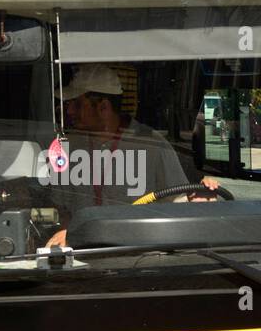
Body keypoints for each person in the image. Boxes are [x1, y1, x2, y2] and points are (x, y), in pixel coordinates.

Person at [47, 65, 219, 244]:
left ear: (104, 107)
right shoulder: (69, 145)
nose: (69, 111)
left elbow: (178, 201)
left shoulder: (151, 144)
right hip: (84, 251)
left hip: (137, 254)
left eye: (77, 104)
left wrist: (197, 200)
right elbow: (62, 208)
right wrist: (67, 234)